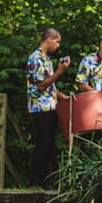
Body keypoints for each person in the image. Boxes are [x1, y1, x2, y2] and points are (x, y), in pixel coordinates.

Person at [25, 28, 72, 186]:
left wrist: (62, 96)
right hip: (40, 108)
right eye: (57, 41)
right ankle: (34, 181)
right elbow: (40, 86)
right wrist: (60, 71)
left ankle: (43, 180)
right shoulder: (35, 59)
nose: (58, 45)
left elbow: (49, 85)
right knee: (42, 144)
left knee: (49, 144)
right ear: (49, 40)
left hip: (51, 106)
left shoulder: (47, 60)